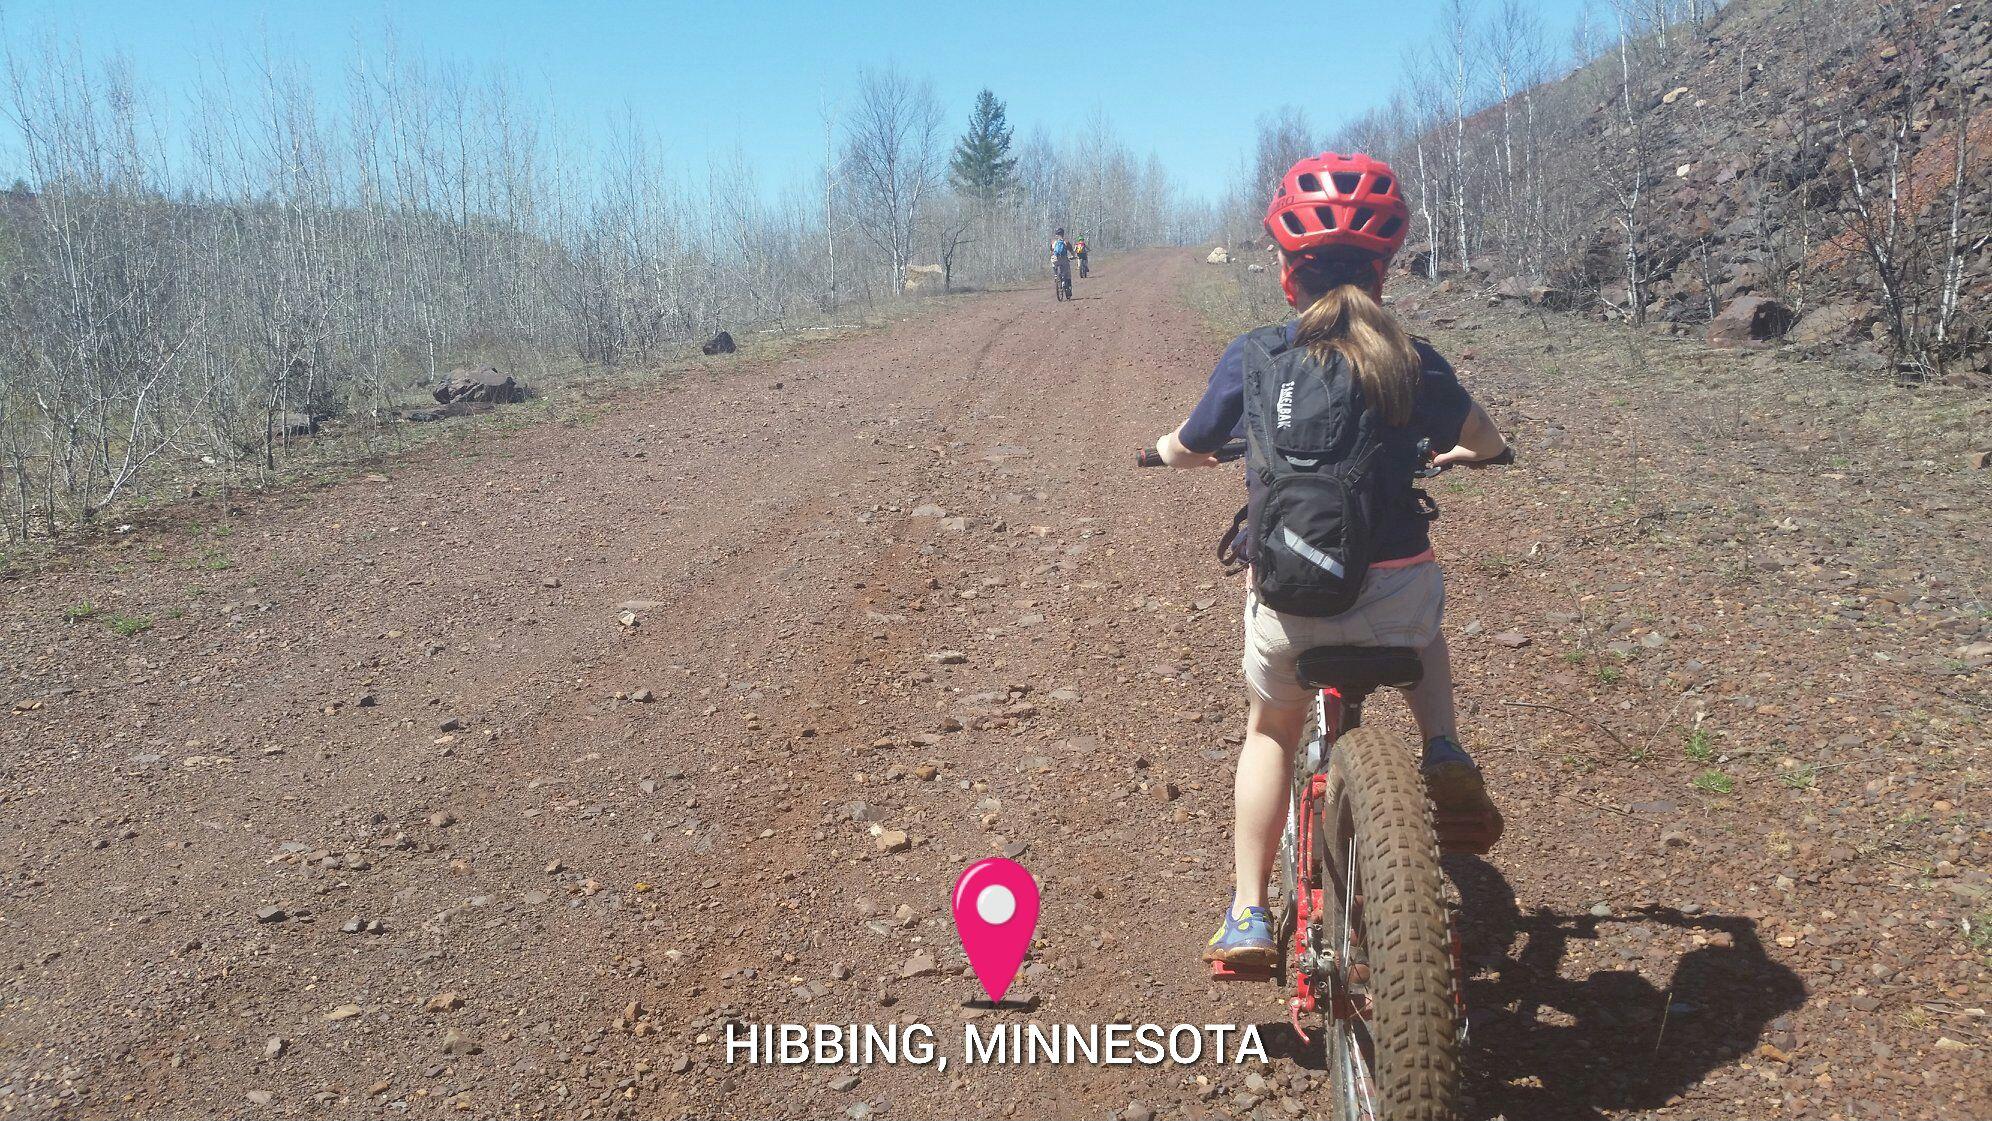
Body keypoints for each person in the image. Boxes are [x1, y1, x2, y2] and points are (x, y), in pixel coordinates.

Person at [1151, 152, 1509, 968]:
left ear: (1287, 271)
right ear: (1383, 272)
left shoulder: (1255, 355)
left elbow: (1188, 444)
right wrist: (1461, 455)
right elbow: (1484, 441)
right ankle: (1444, 750)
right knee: (1424, 637)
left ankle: (1247, 911)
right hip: (1396, 602)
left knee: (1270, 729)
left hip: (1292, 608)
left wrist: (1166, 452)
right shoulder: (1415, 361)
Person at [1050, 227, 1073, 293]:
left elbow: (1051, 251)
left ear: (1056, 234)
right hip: (1063, 259)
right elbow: (1071, 251)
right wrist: (1073, 256)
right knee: (1068, 273)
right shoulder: (1066, 241)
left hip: (1055, 259)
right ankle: (1068, 288)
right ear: (1063, 233)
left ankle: (1055, 275)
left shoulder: (1053, 242)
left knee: (1054, 264)